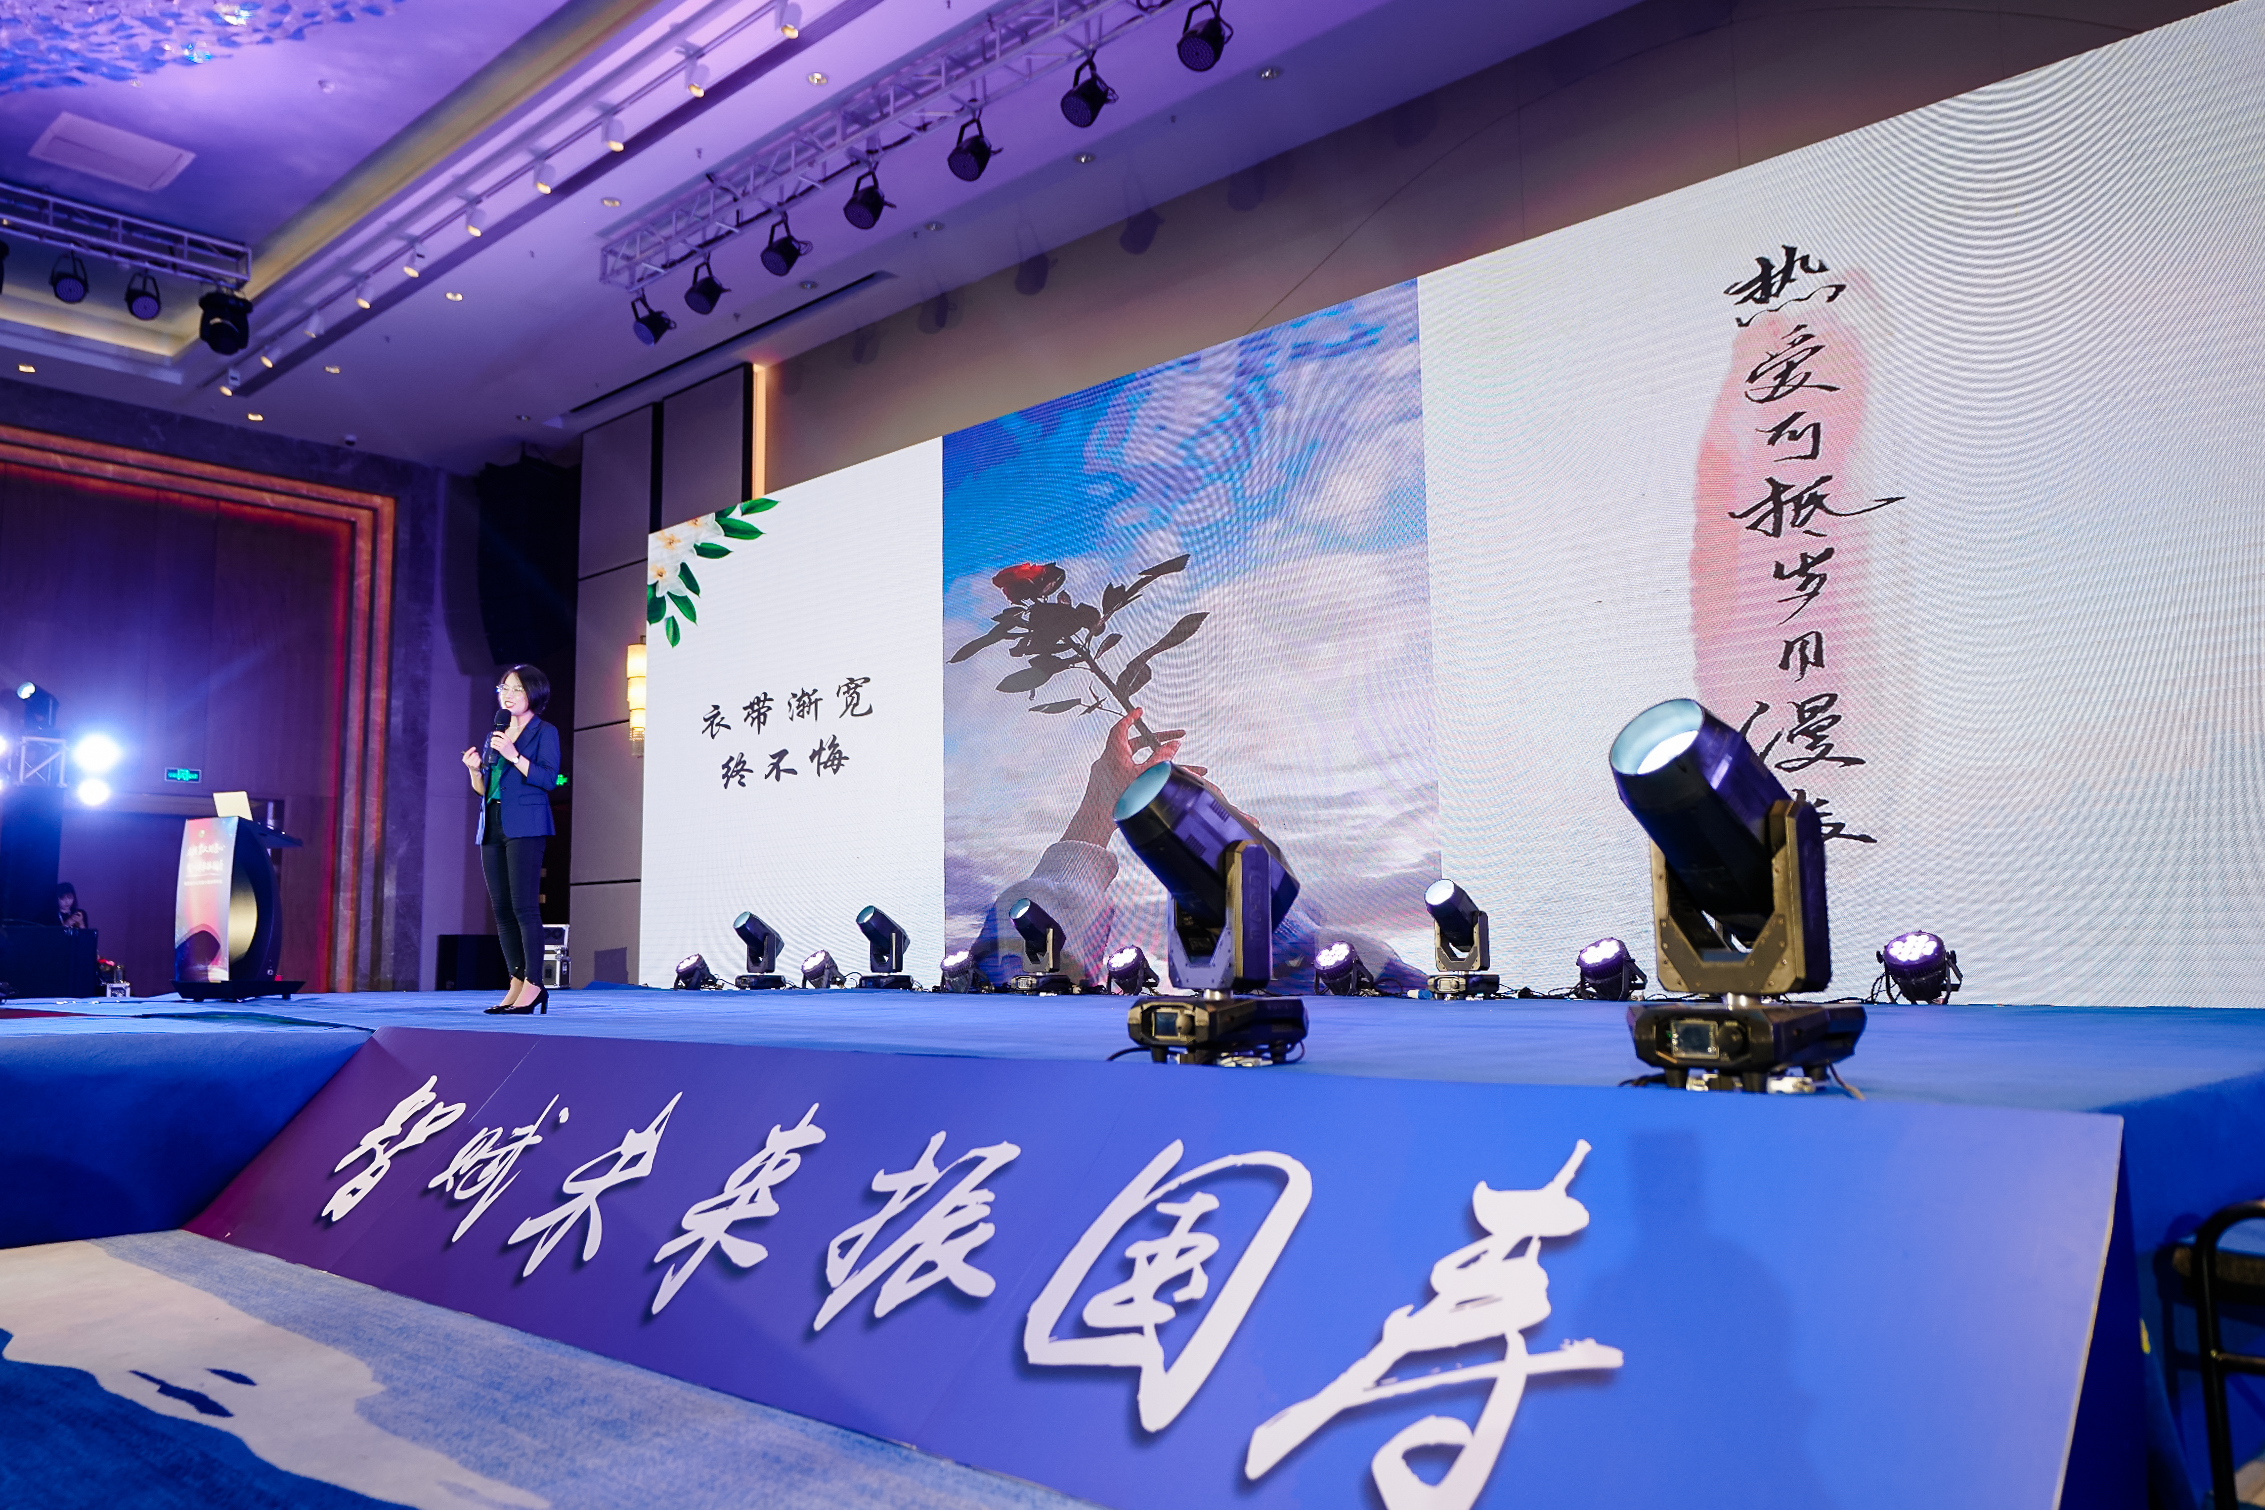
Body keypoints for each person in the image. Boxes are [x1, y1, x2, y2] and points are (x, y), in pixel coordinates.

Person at [461, 665, 560, 1014]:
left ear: (533, 693)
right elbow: (485, 789)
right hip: (492, 824)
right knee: (502, 910)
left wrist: (514, 756)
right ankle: (516, 981)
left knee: (524, 907)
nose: (508, 694)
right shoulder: (496, 733)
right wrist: (474, 770)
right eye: (504, 687)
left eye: (517, 689)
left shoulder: (545, 732)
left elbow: (549, 779)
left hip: (527, 826)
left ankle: (534, 983)